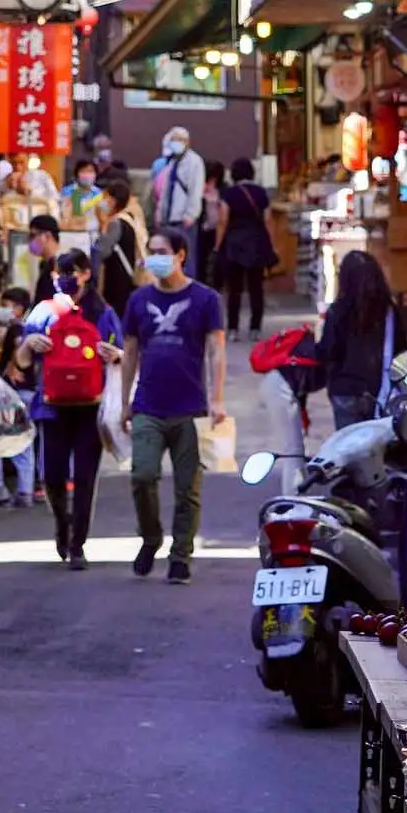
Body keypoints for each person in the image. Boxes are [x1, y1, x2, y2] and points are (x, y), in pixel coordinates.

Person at [119, 229, 227, 585]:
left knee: (188, 490)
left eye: (162, 251)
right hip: (149, 404)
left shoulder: (205, 299)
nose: (155, 258)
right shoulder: (138, 300)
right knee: (142, 476)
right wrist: (124, 402)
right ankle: (150, 537)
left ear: (181, 255)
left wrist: (217, 399)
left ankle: (181, 554)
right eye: (151, 252)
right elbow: (131, 350)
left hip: (190, 407)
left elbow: (216, 350)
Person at [6, 248, 123, 567]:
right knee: (52, 474)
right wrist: (28, 345)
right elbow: (22, 364)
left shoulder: (102, 312)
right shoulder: (43, 311)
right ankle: (62, 523)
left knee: (85, 476)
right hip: (52, 405)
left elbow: (123, 356)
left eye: (71, 272)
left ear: (86, 274)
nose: (64, 279)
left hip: (90, 405)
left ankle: (78, 544)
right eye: (59, 273)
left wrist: (113, 355)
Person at [0, 285, 40, 508]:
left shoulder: (16, 330)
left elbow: (17, 350)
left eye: (6, 306)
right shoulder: (30, 327)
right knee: (23, 441)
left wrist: (12, 365)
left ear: (19, 309)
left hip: (14, 394)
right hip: (27, 392)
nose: (1, 310)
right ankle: (25, 489)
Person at [318, 249, 395, 427]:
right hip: (379, 393)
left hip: (344, 391)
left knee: (349, 449)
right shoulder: (390, 312)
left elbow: (327, 351)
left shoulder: (338, 312)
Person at [215, 157, 278, 335]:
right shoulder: (261, 193)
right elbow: (268, 219)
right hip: (257, 243)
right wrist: (273, 245)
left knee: (234, 288)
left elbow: (222, 220)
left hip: (234, 243)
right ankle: (255, 328)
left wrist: (218, 245)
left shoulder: (229, 193)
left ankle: (233, 328)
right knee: (256, 287)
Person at [146, 126, 207, 248]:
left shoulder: (195, 161)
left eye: (179, 140)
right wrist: (160, 213)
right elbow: (165, 190)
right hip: (168, 218)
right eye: (173, 140)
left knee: (185, 255)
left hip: (183, 219)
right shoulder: (173, 162)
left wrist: (191, 215)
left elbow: (196, 190)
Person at [94, 178, 148, 315]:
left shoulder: (115, 223)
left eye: (106, 198)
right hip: (127, 280)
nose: (103, 202)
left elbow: (102, 251)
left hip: (116, 282)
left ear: (113, 200)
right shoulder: (130, 218)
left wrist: (102, 222)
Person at [23, 213, 64, 304]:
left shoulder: (60, 266)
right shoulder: (45, 265)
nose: (29, 241)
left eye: (32, 235)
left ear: (47, 236)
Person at [60, 160, 107, 232]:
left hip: (95, 232)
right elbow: (75, 214)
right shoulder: (69, 191)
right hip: (74, 231)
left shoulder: (99, 193)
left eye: (90, 171)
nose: (87, 174)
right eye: (83, 171)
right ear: (77, 174)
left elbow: (104, 215)